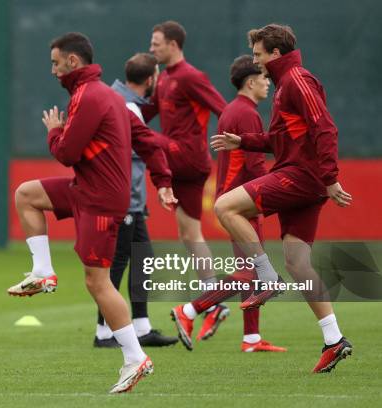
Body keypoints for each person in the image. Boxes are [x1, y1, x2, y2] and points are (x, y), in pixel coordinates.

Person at [7, 32, 176, 393]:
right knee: (26, 195)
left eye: (55, 63)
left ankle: (135, 358)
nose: (52, 70)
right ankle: (42, 272)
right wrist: (162, 181)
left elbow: (66, 153)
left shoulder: (90, 96)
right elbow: (147, 141)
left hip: (100, 200)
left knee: (97, 282)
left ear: (72, 61)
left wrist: (54, 132)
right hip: (88, 191)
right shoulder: (109, 96)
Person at [211, 24, 353, 372]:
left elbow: (326, 128)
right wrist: (242, 142)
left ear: (275, 53)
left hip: (300, 177)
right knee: (298, 262)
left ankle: (266, 277)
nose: (256, 63)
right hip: (305, 179)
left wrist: (330, 178)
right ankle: (334, 340)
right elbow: (280, 140)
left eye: (259, 55)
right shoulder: (286, 84)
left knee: (224, 205)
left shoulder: (297, 80)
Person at [171, 55, 286, 353]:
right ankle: (190, 310)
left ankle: (251, 339)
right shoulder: (246, 113)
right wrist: (278, 193)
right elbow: (255, 166)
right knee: (252, 273)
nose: (268, 84)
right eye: (264, 79)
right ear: (250, 81)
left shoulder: (234, 110)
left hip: (233, 198)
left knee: (249, 271)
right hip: (242, 203)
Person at [143, 20, 229, 336]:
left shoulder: (191, 77)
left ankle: (214, 299)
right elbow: (146, 112)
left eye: (156, 43)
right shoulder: (164, 78)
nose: (151, 48)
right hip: (175, 161)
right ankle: (214, 299)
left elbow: (224, 109)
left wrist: (242, 141)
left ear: (173, 45)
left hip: (189, 161)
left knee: (191, 235)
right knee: (189, 234)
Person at [94, 53, 179, 349]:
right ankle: (104, 332)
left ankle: (141, 326)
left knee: (142, 257)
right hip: (124, 198)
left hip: (133, 199)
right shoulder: (127, 105)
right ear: (151, 79)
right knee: (117, 262)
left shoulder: (124, 100)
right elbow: (129, 154)